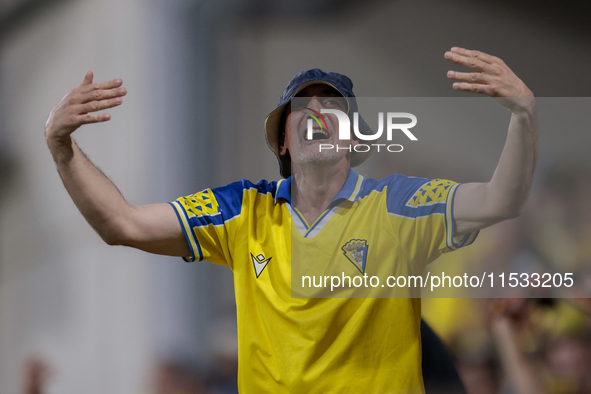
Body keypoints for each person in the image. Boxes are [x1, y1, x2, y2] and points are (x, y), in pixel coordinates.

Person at [45, 47, 537, 393]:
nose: (316, 110)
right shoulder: (244, 210)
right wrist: (61, 146)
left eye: (331, 106)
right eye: (301, 106)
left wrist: (523, 116)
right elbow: (122, 224)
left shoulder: (397, 205)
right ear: (282, 142)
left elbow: (500, 200)